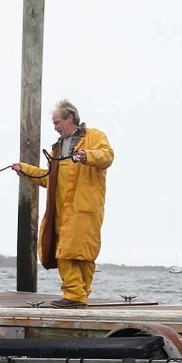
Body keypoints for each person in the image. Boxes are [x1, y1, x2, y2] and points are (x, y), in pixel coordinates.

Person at [12, 99, 114, 308]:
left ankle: (78, 296)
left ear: (71, 118)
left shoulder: (94, 136)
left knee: (84, 255)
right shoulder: (57, 148)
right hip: (61, 210)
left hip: (86, 209)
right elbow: (49, 178)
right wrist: (24, 169)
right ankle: (75, 294)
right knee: (64, 251)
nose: (55, 127)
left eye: (58, 122)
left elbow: (107, 156)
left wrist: (87, 155)